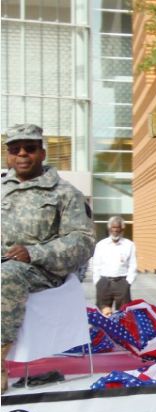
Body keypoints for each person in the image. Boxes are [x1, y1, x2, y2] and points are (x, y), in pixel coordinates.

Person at [1, 124, 95, 392]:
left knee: (6, 276)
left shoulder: (64, 193)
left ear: (42, 153)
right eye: (14, 149)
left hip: (44, 272)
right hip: (6, 266)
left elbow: (83, 242)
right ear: (7, 155)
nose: (22, 154)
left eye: (29, 148)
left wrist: (34, 253)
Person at [92, 215, 137, 311]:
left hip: (122, 283)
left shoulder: (129, 245)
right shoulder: (101, 245)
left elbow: (133, 265)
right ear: (109, 228)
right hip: (104, 282)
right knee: (102, 313)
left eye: (118, 228)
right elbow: (96, 265)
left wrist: (128, 282)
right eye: (113, 227)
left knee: (124, 314)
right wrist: (97, 282)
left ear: (122, 229)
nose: (115, 230)